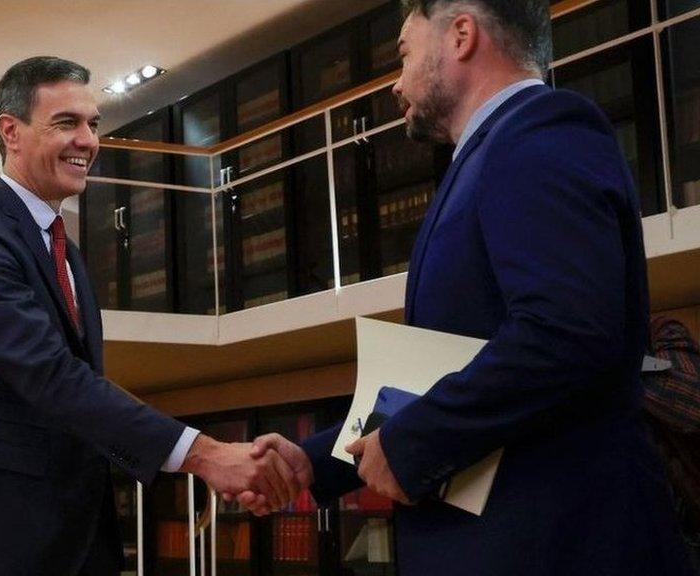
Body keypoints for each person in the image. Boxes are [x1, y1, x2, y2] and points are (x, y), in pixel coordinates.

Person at [243, 1, 696, 574]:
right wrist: (315, 462)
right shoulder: (489, 154)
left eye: (404, 55)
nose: (395, 85)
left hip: (555, 543)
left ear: (461, 35)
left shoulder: (543, 129)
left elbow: (566, 334)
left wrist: (410, 445)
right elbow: (451, 369)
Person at [0, 56, 310, 576]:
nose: (88, 140)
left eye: (93, 123)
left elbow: (81, 388)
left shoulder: (69, 254)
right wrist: (207, 455)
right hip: (0, 544)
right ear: (10, 132)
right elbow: (52, 377)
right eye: (67, 123)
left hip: (81, 541)